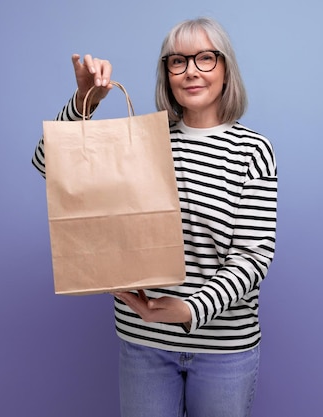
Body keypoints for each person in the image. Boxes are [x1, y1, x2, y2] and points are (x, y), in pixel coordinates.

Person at [32, 17, 277, 417]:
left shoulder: (253, 150)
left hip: (223, 348)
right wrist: (84, 102)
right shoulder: (147, 140)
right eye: (177, 61)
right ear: (167, 73)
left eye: (205, 58)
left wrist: (190, 310)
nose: (191, 70)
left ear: (226, 68)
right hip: (143, 340)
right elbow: (49, 163)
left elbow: (253, 254)